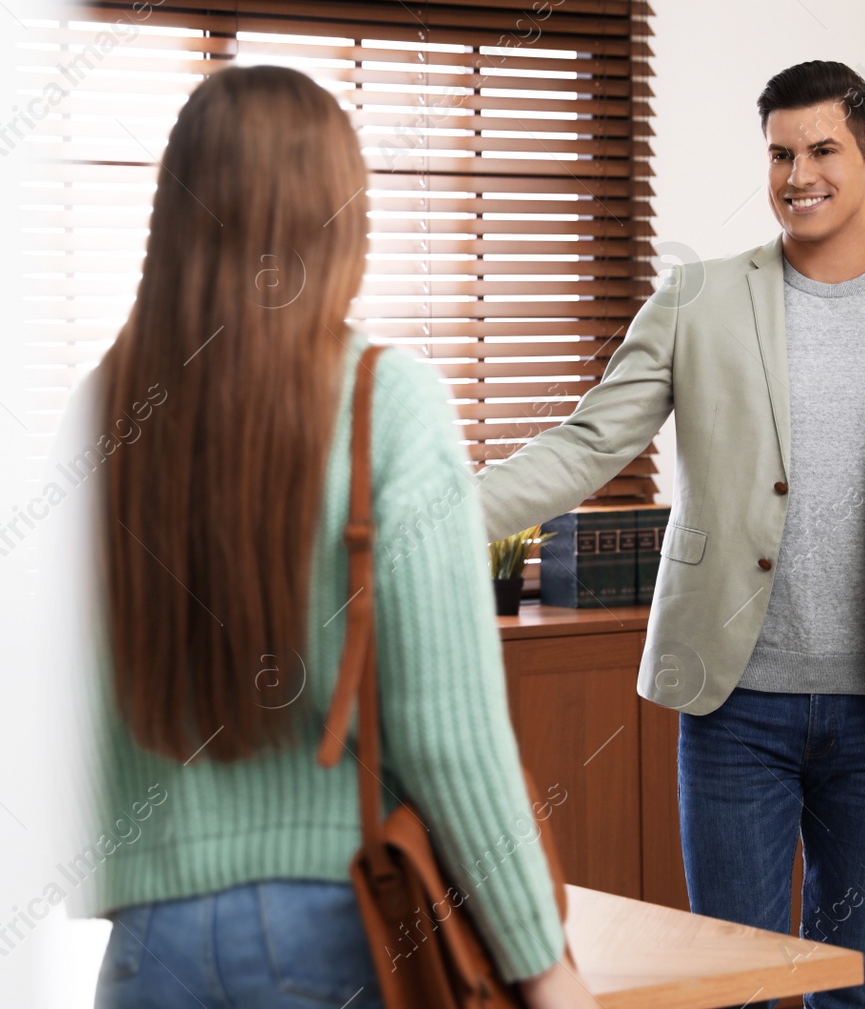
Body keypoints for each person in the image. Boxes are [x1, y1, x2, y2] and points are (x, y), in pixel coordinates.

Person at [475, 60, 865, 1009]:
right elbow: (590, 444)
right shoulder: (698, 299)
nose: (798, 173)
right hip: (736, 702)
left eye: (823, 150)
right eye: (780, 153)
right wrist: (435, 517)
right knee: (735, 983)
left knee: (851, 983)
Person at [46, 65, 598, 1009]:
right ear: (337, 217)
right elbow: (447, 732)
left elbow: (67, 708)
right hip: (335, 929)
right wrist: (543, 964)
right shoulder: (389, 402)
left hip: (148, 943)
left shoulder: (100, 414)